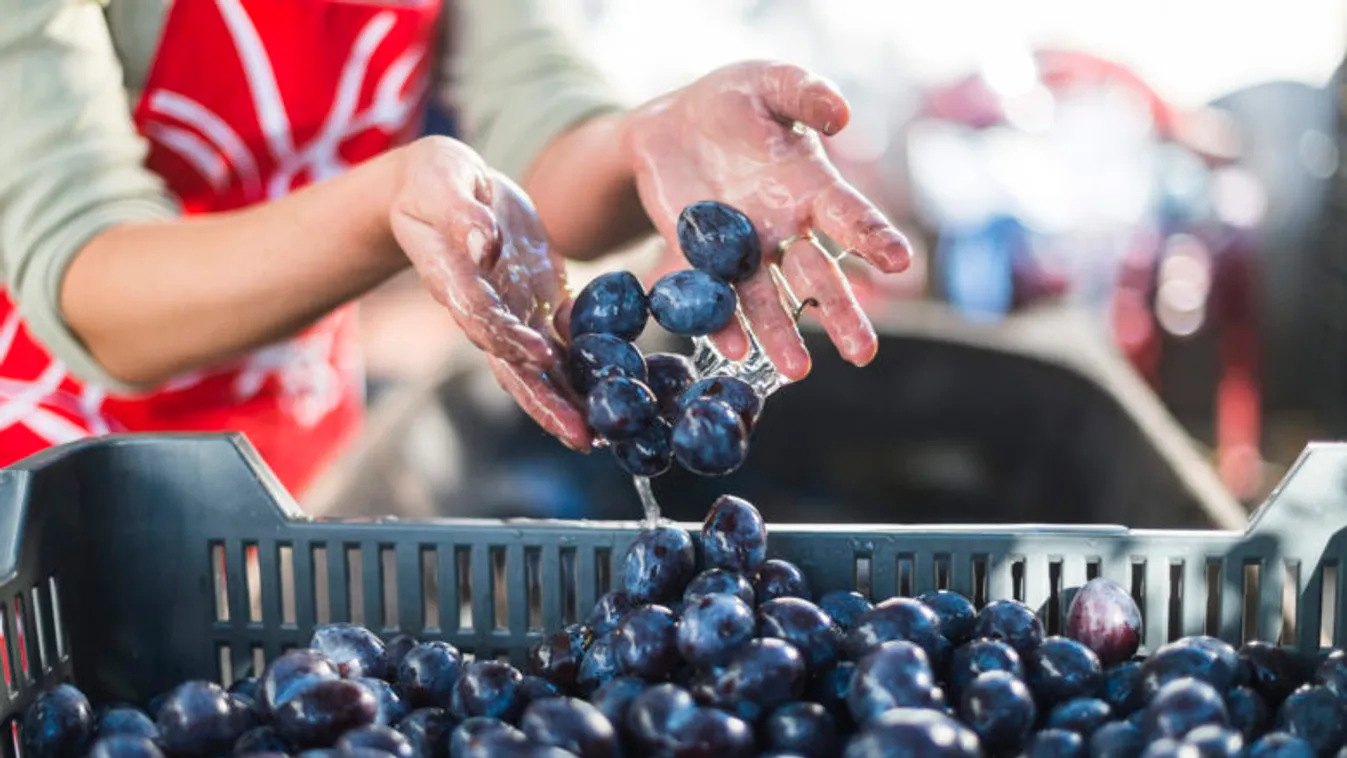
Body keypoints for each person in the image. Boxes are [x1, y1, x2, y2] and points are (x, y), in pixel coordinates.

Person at [0, 0, 911, 497]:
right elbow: (88, 279)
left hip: (291, 454)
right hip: (52, 470)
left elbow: (540, 135)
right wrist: (387, 202)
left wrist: (645, 138)